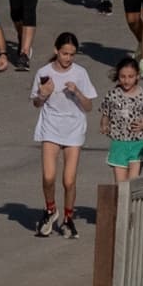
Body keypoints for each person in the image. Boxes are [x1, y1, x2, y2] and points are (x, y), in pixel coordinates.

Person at [28, 32, 96, 240]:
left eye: (72, 54)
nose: (68, 58)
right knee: (49, 176)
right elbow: (36, 103)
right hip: (51, 126)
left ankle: (68, 218)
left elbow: (89, 106)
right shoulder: (44, 72)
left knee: (68, 180)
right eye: (65, 53)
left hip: (74, 128)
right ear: (56, 51)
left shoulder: (80, 73)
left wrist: (77, 93)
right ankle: (50, 211)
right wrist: (43, 93)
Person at [98, 58, 143, 188]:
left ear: (137, 76)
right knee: (121, 186)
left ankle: (131, 209)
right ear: (118, 76)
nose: (126, 80)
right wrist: (104, 125)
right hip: (118, 143)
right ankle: (120, 208)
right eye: (123, 76)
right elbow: (105, 113)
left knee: (132, 184)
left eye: (130, 76)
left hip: (137, 143)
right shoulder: (112, 94)